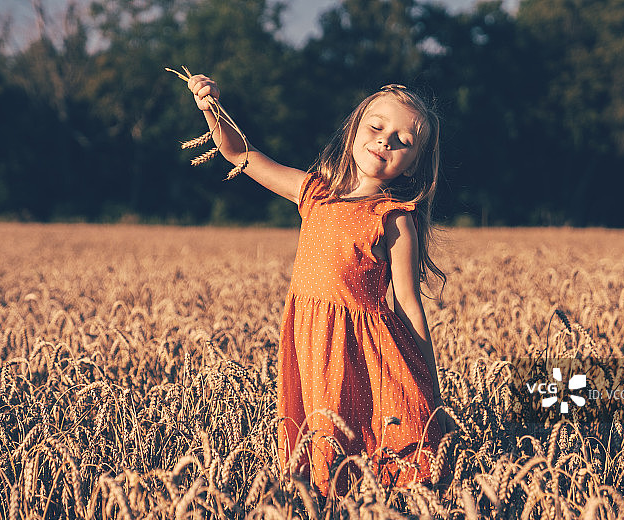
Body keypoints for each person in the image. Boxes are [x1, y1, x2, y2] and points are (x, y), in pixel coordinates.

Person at [187, 75, 450, 495]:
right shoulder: (314, 193)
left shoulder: (395, 217)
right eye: (377, 128)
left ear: (415, 163)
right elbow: (240, 153)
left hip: (363, 352)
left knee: (370, 451)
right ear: (354, 130)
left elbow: (408, 305)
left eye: (403, 141)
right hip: (309, 343)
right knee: (318, 449)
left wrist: (429, 390)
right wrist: (210, 108)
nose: (386, 142)